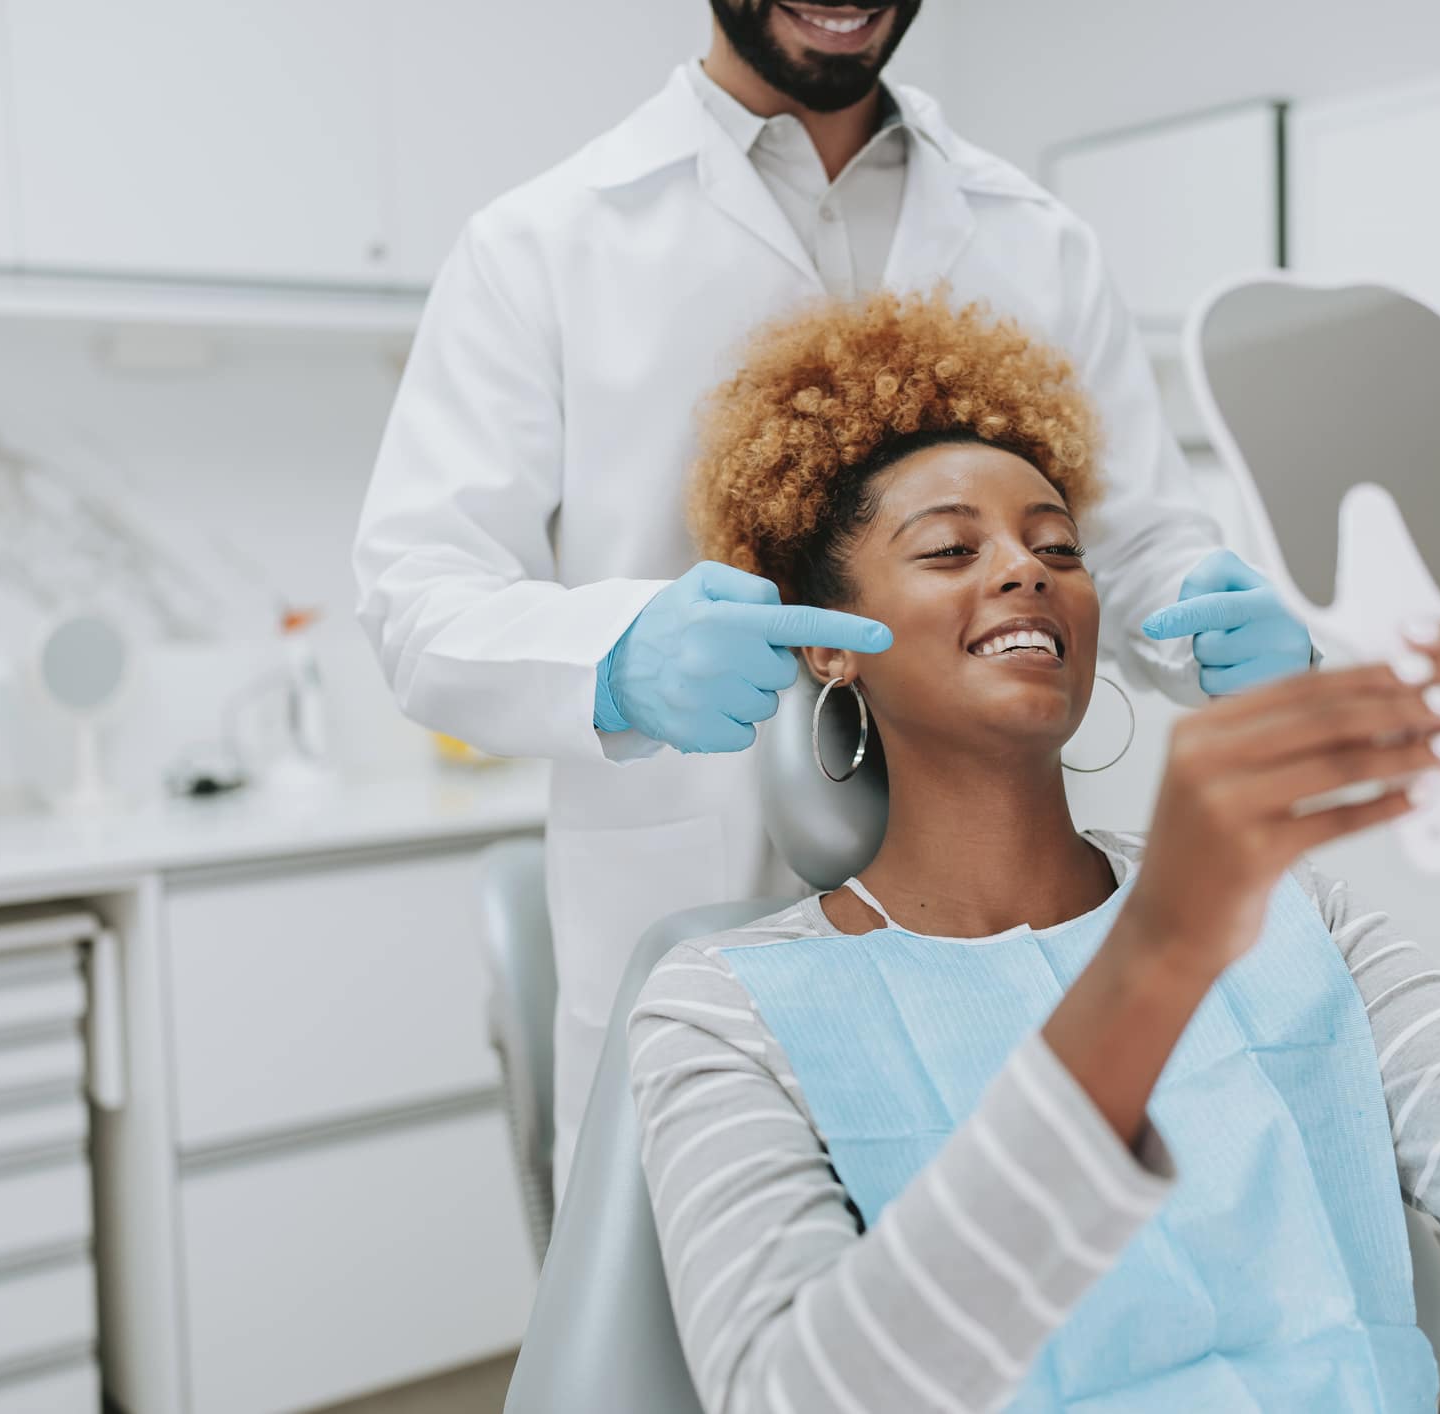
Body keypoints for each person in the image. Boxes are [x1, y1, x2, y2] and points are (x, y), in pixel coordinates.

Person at [630, 290, 1440, 1413]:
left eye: (1058, 546)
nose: (1025, 570)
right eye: (952, 548)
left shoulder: (1297, 919)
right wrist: (1158, 956)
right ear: (826, 644)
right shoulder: (725, 1008)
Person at [352, 0, 1312, 1189]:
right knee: (721, 1263)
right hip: (703, 895)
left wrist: (1205, 619)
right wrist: (617, 655)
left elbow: (1132, 540)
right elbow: (420, 592)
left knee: (1013, 1245)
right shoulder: (544, 242)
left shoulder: (1037, 239)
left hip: (993, 907)